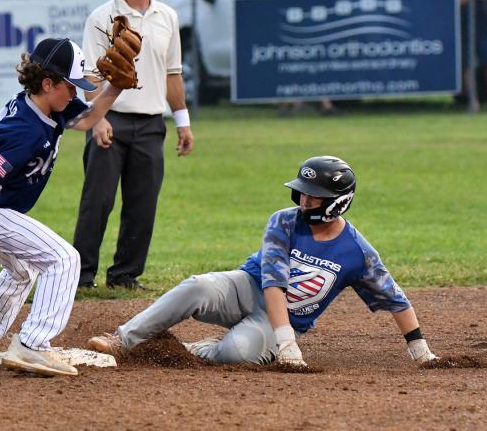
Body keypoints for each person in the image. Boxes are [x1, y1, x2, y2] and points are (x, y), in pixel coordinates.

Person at [88, 156, 439, 368]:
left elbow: (396, 299)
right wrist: (287, 345)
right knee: (198, 286)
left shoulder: (357, 253)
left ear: (337, 203)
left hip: (282, 320)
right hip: (247, 287)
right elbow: (273, 282)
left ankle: (194, 349)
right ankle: (123, 339)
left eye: (314, 197)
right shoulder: (283, 220)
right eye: (302, 192)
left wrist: (420, 350)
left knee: (238, 353)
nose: (303, 201)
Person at [0, 38, 126, 377]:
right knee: (64, 259)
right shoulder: (23, 129)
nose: (75, 94)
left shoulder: (44, 106)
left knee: (22, 270)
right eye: (70, 87)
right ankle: (33, 345)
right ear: (47, 83)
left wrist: (115, 88)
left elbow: (86, 119)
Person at [72, 0, 194, 290]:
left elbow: (173, 73)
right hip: (113, 119)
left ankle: (125, 276)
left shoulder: (167, 16)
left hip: (151, 122)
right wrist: (98, 118)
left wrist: (182, 121)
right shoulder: (101, 16)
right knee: (98, 201)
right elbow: (90, 76)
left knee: (142, 205)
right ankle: (80, 276)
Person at [291, 0, 341, 116]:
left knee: (319, 62)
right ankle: (302, 102)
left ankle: (320, 102)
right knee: (304, 63)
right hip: (300, 23)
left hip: (324, 22)